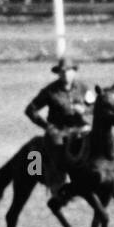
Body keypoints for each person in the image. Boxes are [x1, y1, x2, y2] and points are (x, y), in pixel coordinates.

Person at [24, 57, 92, 193]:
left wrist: (85, 110)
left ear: (74, 72)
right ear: (58, 73)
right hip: (59, 131)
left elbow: (96, 106)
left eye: (68, 71)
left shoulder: (83, 88)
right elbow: (30, 110)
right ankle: (58, 181)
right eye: (62, 71)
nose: (65, 74)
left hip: (81, 128)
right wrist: (47, 126)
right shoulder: (49, 91)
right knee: (57, 144)